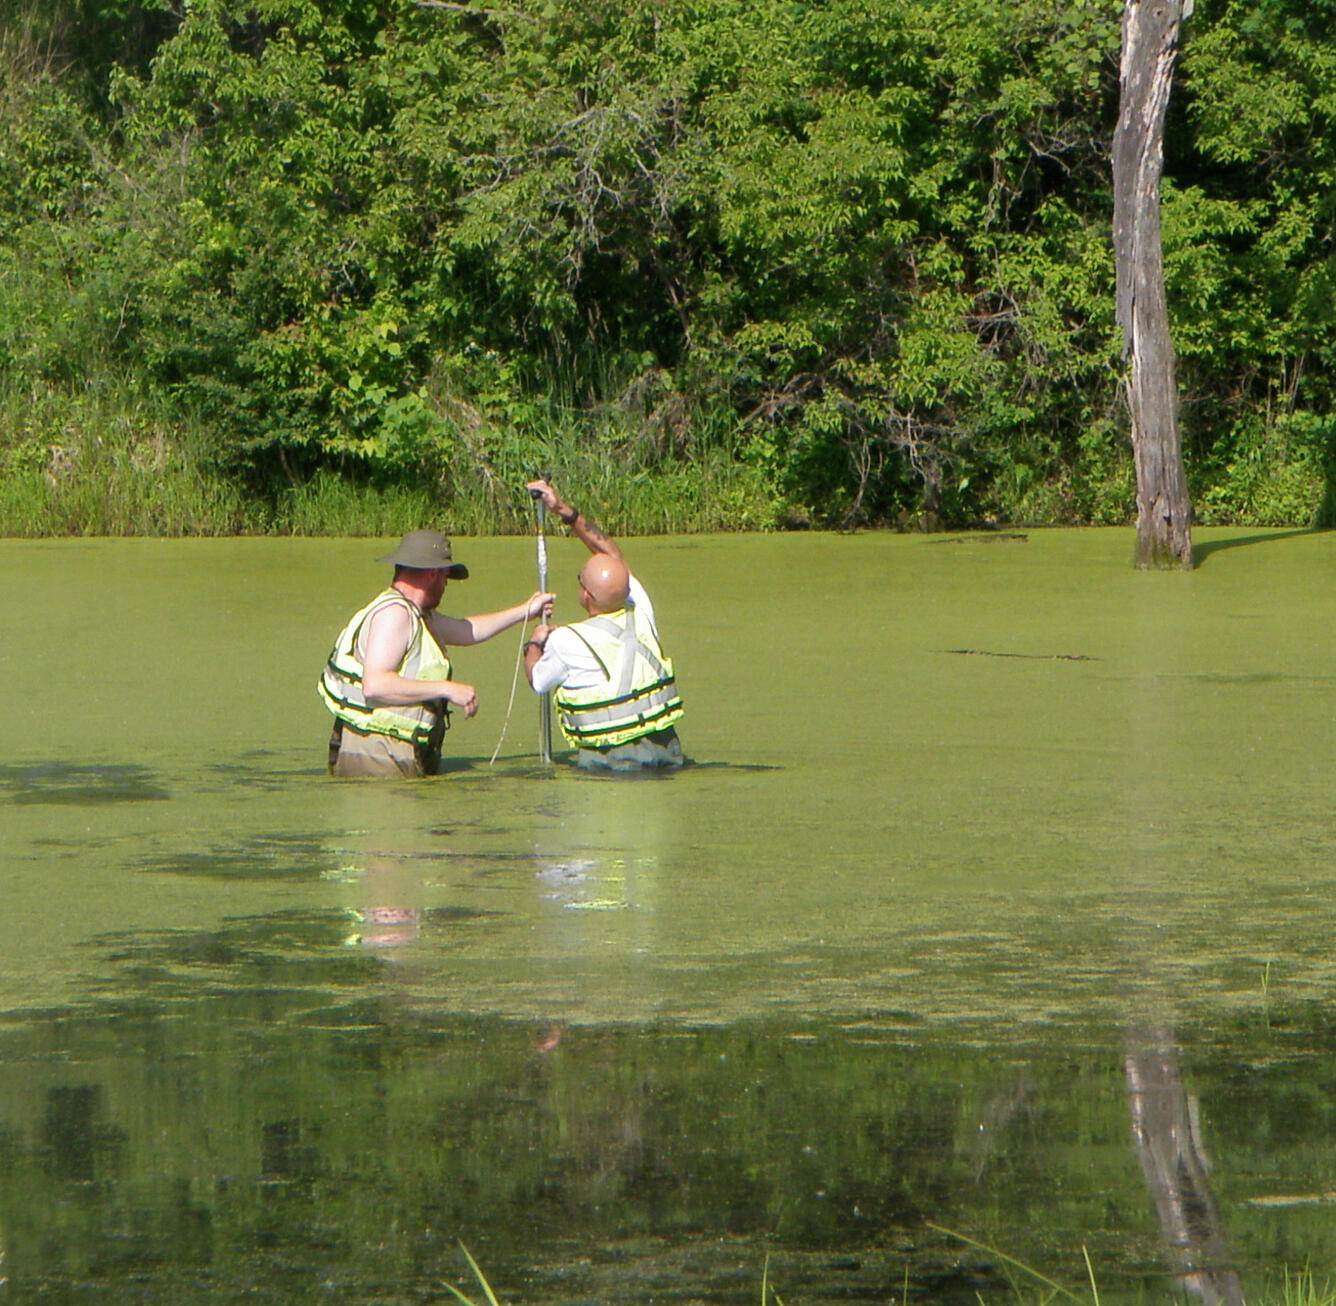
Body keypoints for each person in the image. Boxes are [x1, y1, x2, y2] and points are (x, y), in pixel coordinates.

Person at [320, 530, 552, 777]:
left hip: (385, 750)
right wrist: (447, 689)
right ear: (434, 573)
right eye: (446, 577)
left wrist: (525, 611)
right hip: (378, 753)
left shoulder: (416, 614)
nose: (446, 585)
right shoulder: (395, 614)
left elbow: (466, 631)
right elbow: (375, 685)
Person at [523, 480, 684, 771]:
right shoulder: (641, 608)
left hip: (610, 762)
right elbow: (613, 557)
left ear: (585, 594)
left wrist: (535, 643)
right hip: (665, 750)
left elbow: (537, 680)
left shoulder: (565, 641)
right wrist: (564, 510)